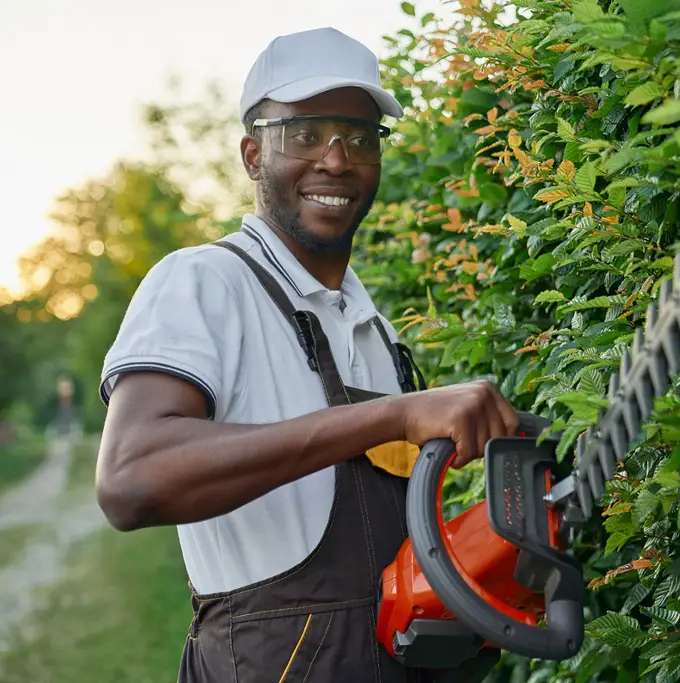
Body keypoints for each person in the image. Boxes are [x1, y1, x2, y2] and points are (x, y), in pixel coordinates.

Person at [95, 27, 520, 683]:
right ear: (252, 154)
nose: (336, 159)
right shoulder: (205, 282)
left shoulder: (375, 327)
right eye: (305, 133)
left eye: (360, 135)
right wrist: (394, 416)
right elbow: (129, 479)